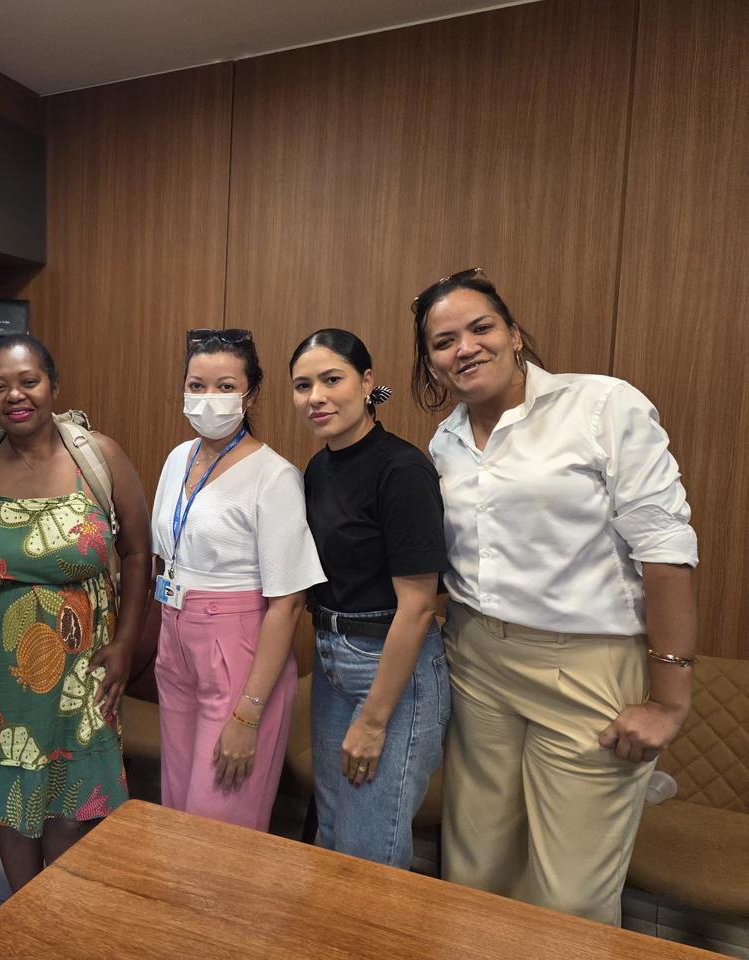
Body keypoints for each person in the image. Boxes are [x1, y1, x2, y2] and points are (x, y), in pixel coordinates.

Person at [412, 268, 698, 924]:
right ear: (431, 362)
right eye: (444, 341)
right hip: (477, 658)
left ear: (515, 334)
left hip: (587, 666)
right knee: (474, 870)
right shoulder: (445, 441)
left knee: (570, 898)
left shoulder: (602, 406)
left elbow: (665, 547)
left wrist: (668, 700)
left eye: (481, 328)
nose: (465, 348)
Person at [0, 334, 151, 893]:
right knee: (9, 803)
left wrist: (126, 644)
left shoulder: (98, 457)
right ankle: (23, 908)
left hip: (83, 669)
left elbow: (138, 553)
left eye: (29, 381)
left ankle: (58, 914)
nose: (15, 395)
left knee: (70, 805)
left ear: (53, 386)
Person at [151, 328, 324, 831]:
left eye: (225, 386)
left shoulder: (275, 476)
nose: (209, 398)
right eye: (197, 386)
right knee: (178, 805)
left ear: (250, 394)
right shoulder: (177, 459)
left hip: (237, 649)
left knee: (219, 820)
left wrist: (248, 716)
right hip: (174, 640)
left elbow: (288, 604)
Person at [289, 329, 449, 867]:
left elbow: (419, 606)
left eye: (331, 380)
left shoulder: (401, 470)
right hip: (332, 656)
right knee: (334, 830)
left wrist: (375, 720)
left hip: (390, 664)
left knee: (368, 847)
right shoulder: (319, 467)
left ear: (366, 383)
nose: (316, 397)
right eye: (303, 385)